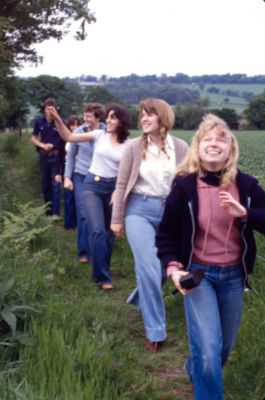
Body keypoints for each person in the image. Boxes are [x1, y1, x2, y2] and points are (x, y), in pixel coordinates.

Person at [156, 114, 265, 399]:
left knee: (221, 348)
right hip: (199, 274)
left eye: (221, 139)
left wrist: (246, 214)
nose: (214, 144)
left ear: (231, 148)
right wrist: (173, 268)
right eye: (207, 138)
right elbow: (165, 233)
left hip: (233, 278)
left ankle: (196, 369)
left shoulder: (247, 186)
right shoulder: (184, 186)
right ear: (198, 146)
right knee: (208, 349)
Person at [110, 98, 189, 352]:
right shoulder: (133, 147)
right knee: (148, 266)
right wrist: (116, 218)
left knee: (161, 269)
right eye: (141, 114)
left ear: (163, 117)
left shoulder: (181, 147)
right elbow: (122, 185)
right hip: (138, 210)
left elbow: (188, 185)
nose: (143, 118)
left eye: (149, 114)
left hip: (170, 213)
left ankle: (139, 296)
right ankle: (156, 331)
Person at [47, 103, 131, 289]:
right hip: (92, 185)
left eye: (111, 117)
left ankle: (102, 268)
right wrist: (58, 119)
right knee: (97, 231)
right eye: (107, 117)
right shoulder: (98, 135)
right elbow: (68, 136)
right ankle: (102, 277)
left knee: (109, 234)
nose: (107, 120)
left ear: (122, 121)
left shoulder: (129, 145)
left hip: (114, 188)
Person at [64, 104, 106, 264]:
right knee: (83, 214)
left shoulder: (106, 132)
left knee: (98, 216)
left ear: (98, 117)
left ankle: (98, 250)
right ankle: (84, 252)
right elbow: (71, 157)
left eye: (89, 116)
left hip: (99, 177)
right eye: (84, 116)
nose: (85, 119)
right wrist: (67, 178)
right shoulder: (77, 132)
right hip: (81, 176)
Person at [31, 98, 65, 219]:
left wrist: (58, 119)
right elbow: (33, 137)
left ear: (56, 109)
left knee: (56, 184)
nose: (49, 111)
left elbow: (66, 137)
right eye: (47, 109)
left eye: (52, 109)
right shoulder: (39, 121)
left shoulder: (60, 122)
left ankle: (55, 214)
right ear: (44, 110)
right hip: (44, 155)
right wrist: (42, 145)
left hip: (57, 156)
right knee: (45, 184)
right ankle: (48, 212)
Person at [62, 115, 81, 230]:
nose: (75, 127)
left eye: (77, 124)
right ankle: (69, 223)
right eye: (72, 125)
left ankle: (80, 223)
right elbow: (62, 155)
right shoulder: (66, 139)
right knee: (68, 198)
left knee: (79, 199)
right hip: (68, 170)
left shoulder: (84, 138)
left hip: (80, 171)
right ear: (68, 126)